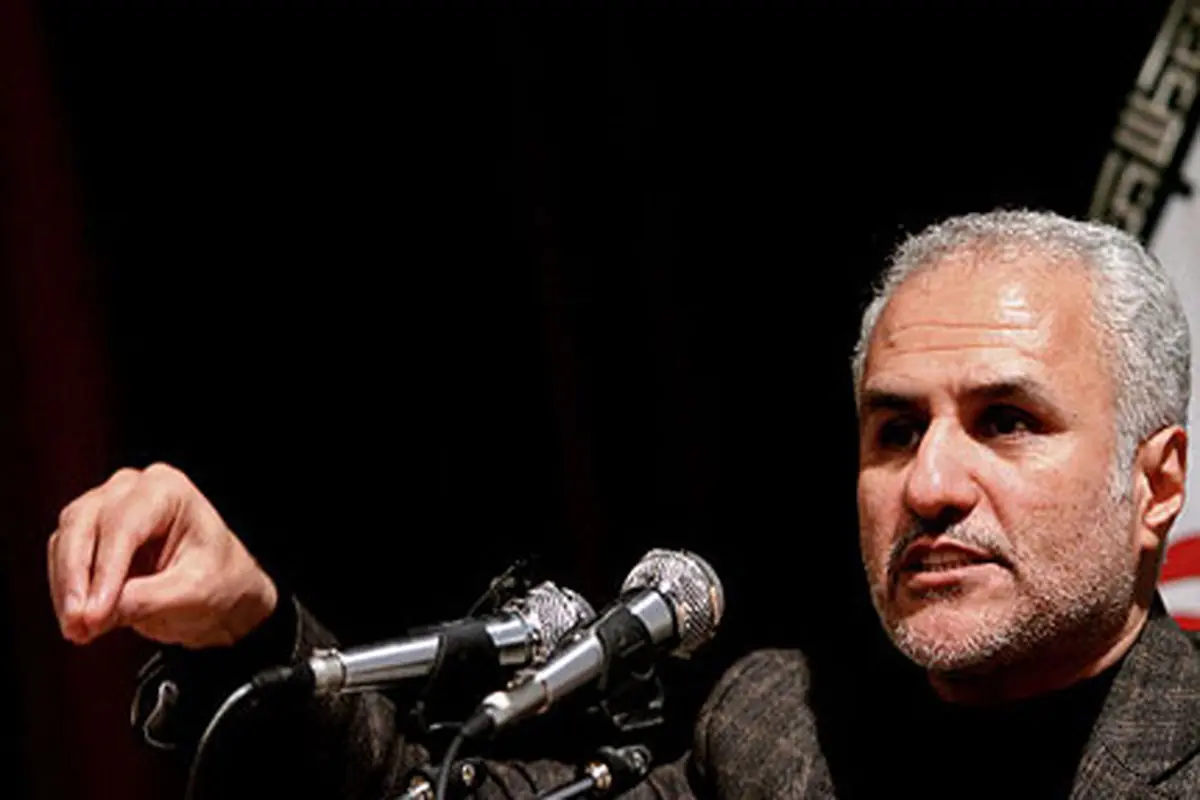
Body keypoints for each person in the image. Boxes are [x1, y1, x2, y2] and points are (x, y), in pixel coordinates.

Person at [46, 209, 1200, 798]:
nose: (933, 483)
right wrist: (247, 624)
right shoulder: (782, 731)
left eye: (1007, 420)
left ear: (1155, 485)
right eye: (895, 430)